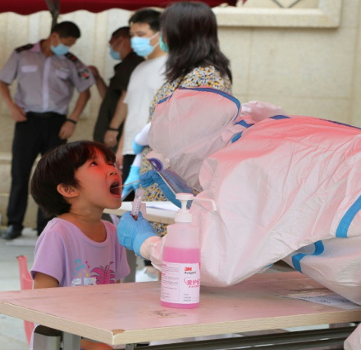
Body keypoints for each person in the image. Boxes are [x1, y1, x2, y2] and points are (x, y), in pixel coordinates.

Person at [117, 86, 361, 347]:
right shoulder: (272, 135)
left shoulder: (246, 164)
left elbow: (210, 260)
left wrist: (147, 243)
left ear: (186, 154)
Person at [131, 1, 233, 235]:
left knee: (173, 257)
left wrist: (145, 137)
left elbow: (181, 131)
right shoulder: (191, 72)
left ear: (181, 33)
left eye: (166, 29)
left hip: (177, 185)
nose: (163, 35)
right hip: (165, 179)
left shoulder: (204, 76)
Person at [0, 21, 95, 240]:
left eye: (71, 45)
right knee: (20, 173)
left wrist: (72, 120)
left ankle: (46, 225)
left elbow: (85, 91)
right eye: (66, 43)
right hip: (27, 120)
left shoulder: (70, 61)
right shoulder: (22, 54)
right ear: (54, 36)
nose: (67, 48)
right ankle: (14, 223)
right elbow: (3, 82)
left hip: (57, 123)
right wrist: (11, 107)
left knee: (51, 176)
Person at [30, 140, 130, 350]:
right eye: (95, 164)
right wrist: (85, 344)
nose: (112, 169)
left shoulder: (113, 231)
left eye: (111, 162)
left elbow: (117, 298)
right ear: (68, 189)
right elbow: (40, 306)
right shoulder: (58, 233)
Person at [111, 9, 167, 198]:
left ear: (161, 34)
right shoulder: (138, 68)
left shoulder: (172, 67)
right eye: (133, 35)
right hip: (130, 151)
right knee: (128, 208)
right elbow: (132, 111)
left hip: (154, 152)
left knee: (148, 208)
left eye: (141, 35)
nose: (135, 40)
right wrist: (121, 148)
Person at [88, 27, 144, 151]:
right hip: (110, 133)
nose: (111, 47)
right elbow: (110, 98)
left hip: (116, 136)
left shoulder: (131, 64)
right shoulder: (124, 65)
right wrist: (97, 79)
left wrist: (113, 128)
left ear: (121, 40)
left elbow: (126, 97)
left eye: (111, 43)